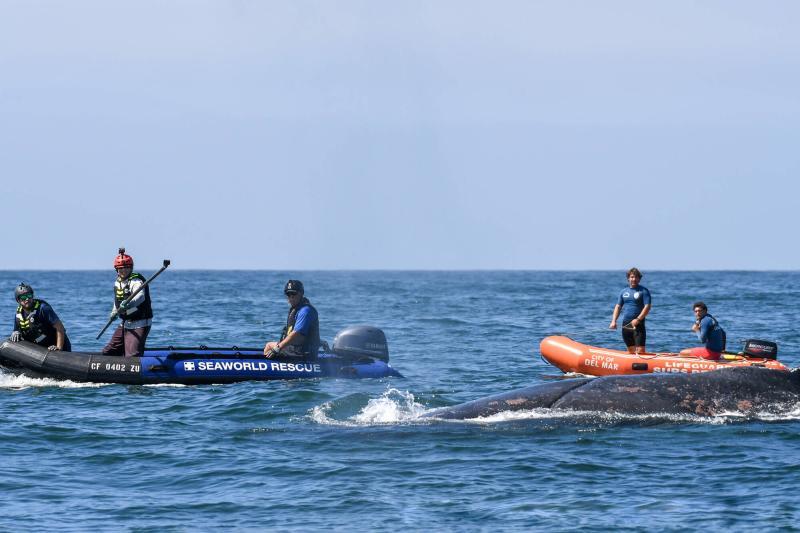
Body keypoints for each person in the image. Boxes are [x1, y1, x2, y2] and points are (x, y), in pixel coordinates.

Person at [101, 248, 153, 357]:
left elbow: (140, 297)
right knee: (108, 351)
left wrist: (129, 304)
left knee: (132, 355)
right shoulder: (117, 282)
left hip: (140, 322)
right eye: (120, 268)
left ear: (131, 268)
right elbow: (117, 301)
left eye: (126, 268)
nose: (123, 271)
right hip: (125, 322)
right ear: (116, 269)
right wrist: (114, 312)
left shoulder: (136, 281)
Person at [263, 280, 320, 360]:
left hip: (303, 353)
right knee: (269, 345)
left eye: (294, 294)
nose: (291, 297)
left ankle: (267, 368)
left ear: (301, 293)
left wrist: (277, 348)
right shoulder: (296, 309)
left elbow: (296, 334)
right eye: (288, 294)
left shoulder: (306, 311)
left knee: (269, 346)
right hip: (295, 349)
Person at [10, 283, 71, 352]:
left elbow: (60, 328)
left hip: (56, 346)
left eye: (29, 296)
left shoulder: (43, 309)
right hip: (40, 348)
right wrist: (16, 332)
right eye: (23, 297)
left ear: (32, 296)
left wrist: (59, 348)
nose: (27, 299)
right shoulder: (19, 314)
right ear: (18, 300)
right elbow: (16, 330)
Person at [609, 267, 652, 354]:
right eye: (632, 277)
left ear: (639, 279)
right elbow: (618, 307)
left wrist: (638, 319)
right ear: (628, 278)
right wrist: (613, 321)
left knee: (640, 351)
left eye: (636, 277)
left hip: (638, 323)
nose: (634, 279)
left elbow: (647, 307)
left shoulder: (644, 291)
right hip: (626, 324)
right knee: (631, 350)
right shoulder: (623, 292)